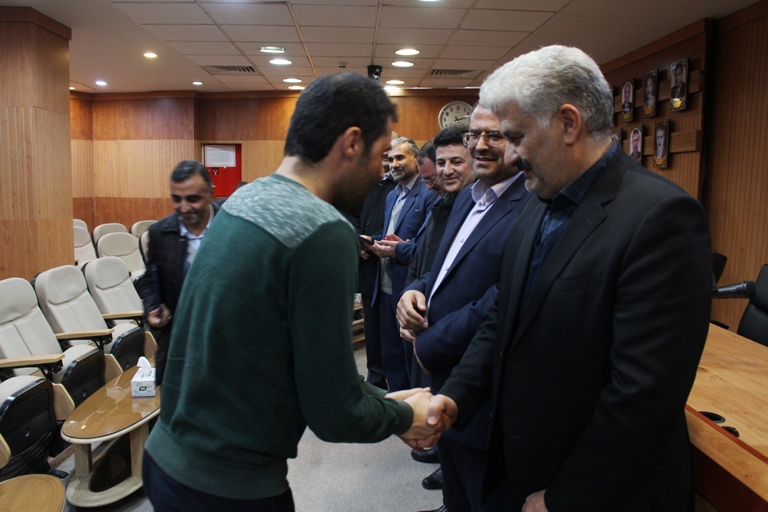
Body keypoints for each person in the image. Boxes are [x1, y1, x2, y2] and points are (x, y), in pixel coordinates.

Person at [427, 45, 712, 512]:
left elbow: (643, 395)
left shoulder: (661, 217)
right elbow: (504, 318)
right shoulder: (538, 200)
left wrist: (567, 498)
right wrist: (458, 395)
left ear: (567, 123)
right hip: (520, 467)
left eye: (516, 137)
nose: (510, 156)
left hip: (595, 490)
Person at [142, 73, 439, 512]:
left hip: (169, 460)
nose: (381, 171)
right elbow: (333, 412)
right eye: (380, 155)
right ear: (351, 143)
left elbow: (292, 364)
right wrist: (404, 417)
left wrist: (382, 400)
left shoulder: (241, 200)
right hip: (228, 488)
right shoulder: (322, 229)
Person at [400, 105, 530, 512]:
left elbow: (505, 297)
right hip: (444, 387)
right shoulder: (467, 198)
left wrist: (430, 341)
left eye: (495, 135)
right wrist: (414, 291)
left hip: (482, 394)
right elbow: (441, 269)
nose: (480, 146)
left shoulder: (532, 204)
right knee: (455, 498)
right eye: (474, 136)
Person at [136, 160, 219, 386]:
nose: (183, 207)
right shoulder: (159, 232)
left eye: (192, 199)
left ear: (210, 193)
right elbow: (148, 280)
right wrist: (152, 307)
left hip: (223, 344)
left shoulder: (231, 227)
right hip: (177, 343)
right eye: (176, 199)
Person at [369, 137, 439, 392]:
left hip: (409, 287)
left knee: (411, 357)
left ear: (415, 158)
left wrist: (399, 249)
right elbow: (391, 234)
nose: (394, 164)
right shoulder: (391, 195)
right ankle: (398, 404)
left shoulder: (429, 192)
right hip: (384, 287)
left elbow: (427, 247)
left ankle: (415, 405)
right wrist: (372, 241)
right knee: (391, 356)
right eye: (390, 159)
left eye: (400, 157)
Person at [355, 150, 397, 390]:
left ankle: (397, 384)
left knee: (391, 330)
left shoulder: (399, 184)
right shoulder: (362, 182)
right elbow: (349, 215)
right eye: (382, 154)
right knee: (371, 329)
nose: (387, 160)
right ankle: (375, 381)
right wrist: (357, 240)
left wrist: (372, 241)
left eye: (390, 155)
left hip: (389, 260)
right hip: (367, 265)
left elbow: (398, 224)